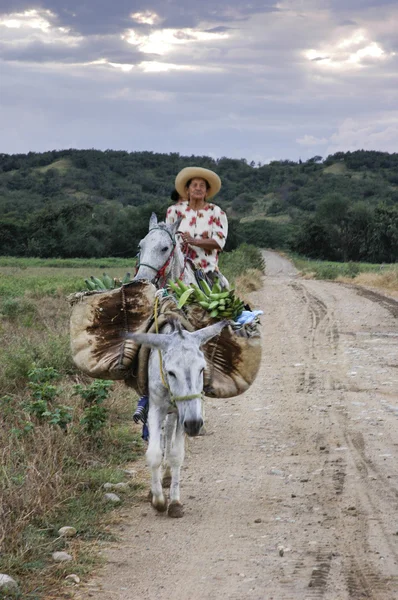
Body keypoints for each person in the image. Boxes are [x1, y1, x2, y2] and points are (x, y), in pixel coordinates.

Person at [165, 167, 228, 285]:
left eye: (202, 185)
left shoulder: (216, 212)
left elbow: (219, 242)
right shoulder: (174, 211)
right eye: (194, 185)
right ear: (187, 190)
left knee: (222, 293)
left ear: (207, 191)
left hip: (206, 271)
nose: (198, 188)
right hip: (178, 270)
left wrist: (195, 241)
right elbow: (167, 240)